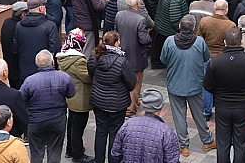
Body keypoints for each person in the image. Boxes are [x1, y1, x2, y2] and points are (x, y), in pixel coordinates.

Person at [204, 27, 245, 163]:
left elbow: (207, 86)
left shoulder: (216, 62)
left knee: (223, 144)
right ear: (241, 42)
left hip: (223, 107)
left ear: (225, 42)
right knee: (241, 144)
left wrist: (219, 93)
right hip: (244, 106)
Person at [160, 15, 216, 156]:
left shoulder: (169, 41)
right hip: (195, 85)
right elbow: (206, 57)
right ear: (193, 28)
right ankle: (207, 141)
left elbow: (163, 59)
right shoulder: (200, 42)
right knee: (199, 114)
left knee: (179, 116)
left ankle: (183, 146)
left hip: (175, 85)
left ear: (179, 26)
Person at [88, 31, 137, 163]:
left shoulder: (95, 56)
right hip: (117, 104)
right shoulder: (122, 61)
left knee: (100, 132)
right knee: (115, 134)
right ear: (116, 43)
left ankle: (99, 160)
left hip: (98, 102)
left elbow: (91, 74)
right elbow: (132, 83)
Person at [21, 50, 76, 163]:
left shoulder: (29, 81)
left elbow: (21, 99)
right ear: (52, 62)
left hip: (36, 121)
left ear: (36, 63)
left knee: (36, 152)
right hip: (57, 119)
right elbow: (71, 94)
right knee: (55, 149)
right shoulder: (64, 77)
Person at [111, 89, 179, 163]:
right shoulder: (166, 132)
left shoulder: (128, 124)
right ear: (161, 106)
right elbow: (172, 160)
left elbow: (116, 153)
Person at [56, 30, 94, 163]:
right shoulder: (78, 61)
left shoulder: (64, 57)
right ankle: (77, 155)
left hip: (71, 96)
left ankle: (70, 149)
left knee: (72, 124)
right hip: (80, 97)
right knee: (78, 127)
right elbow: (87, 78)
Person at [114, 0, 151, 117]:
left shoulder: (119, 15)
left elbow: (116, 32)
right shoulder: (140, 19)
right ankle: (130, 109)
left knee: (124, 82)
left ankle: (126, 104)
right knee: (135, 84)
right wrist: (147, 32)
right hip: (136, 56)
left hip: (122, 53)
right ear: (137, 3)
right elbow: (144, 40)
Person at [12, 0, 59, 83]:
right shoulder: (50, 26)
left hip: (25, 70)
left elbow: (15, 49)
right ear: (41, 8)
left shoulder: (19, 25)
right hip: (45, 72)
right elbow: (54, 49)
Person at [152, 0, 191, 69]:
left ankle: (156, 61)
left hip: (161, 23)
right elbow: (175, 17)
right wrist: (180, 28)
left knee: (158, 44)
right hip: (168, 27)